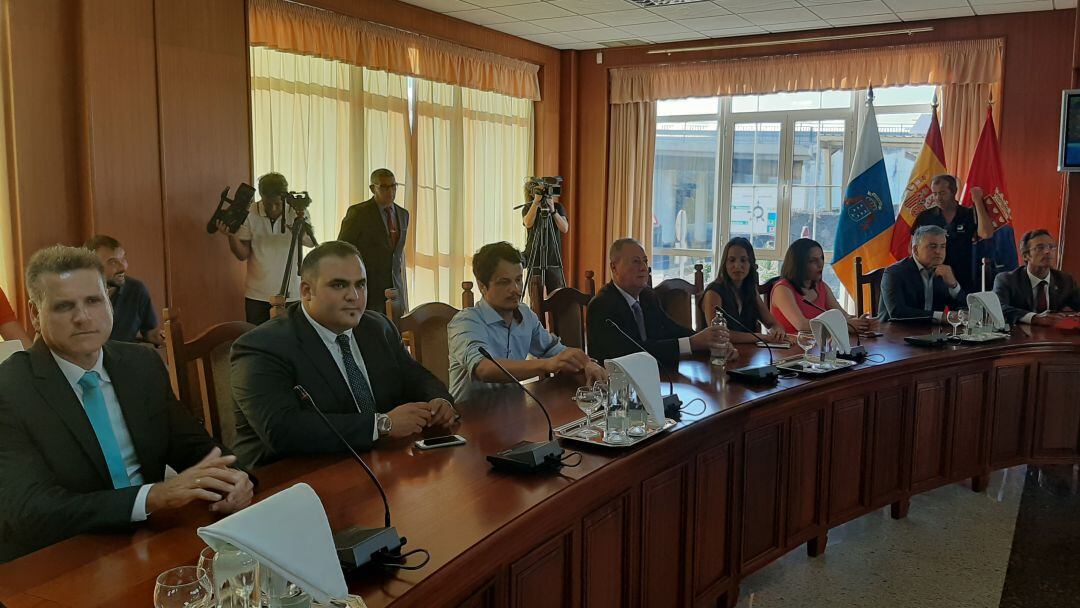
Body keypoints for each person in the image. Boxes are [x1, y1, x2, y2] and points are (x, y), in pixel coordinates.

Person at [0, 245, 253, 562]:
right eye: (64, 306)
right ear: (36, 314)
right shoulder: (9, 389)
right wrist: (151, 498)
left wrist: (237, 479)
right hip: (60, 558)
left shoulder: (141, 364)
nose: (83, 317)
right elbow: (29, 511)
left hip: (148, 543)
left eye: (93, 301)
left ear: (109, 303)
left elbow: (196, 448)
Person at [230, 241, 455, 469]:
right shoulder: (262, 346)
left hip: (374, 464)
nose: (354, 296)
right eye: (339, 286)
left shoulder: (377, 327)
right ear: (307, 291)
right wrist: (381, 424)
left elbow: (416, 377)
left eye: (361, 285)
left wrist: (438, 400)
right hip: (290, 478)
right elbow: (282, 430)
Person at [447, 241, 605, 402]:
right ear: (482, 286)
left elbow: (553, 348)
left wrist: (586, 363)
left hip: (514, 411)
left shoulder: (525, 314)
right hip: (470, 418)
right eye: (504, 282)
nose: (515, 289)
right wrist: (547, 364)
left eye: (518, 279)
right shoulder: (465, 322)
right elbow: (484, 369)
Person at [586, 238, 733, 369]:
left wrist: (710, 343)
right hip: (617, 387)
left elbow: (670, 329)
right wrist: (693, 343)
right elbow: (632, 352)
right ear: (614, 267)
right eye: (636, 261)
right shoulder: (601, 306)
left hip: (656, 378)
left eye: (645, 261)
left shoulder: (647, 296)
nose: (644, 267)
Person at [216, 172, 313, 325]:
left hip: (292, 293)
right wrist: (231, 236)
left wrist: (297, 228)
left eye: (278, 204)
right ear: (261, 196)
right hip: (257, 295)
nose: (274, 208)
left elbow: (310, 242)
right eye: (269, 204)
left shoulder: (296, 210)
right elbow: (242, 255)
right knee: (257, 342)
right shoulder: (250, 213)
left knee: (291, 343)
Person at [338, 168, 409, 319]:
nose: (390, 191)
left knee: (394, 332)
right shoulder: (359, 213)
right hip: (368, 287)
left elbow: (395, 253)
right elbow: (343, 249)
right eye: (384, 187)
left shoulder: (403, 214)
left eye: (393, 186)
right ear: (373, 188)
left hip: (395, 287)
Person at [770, 238, 878, 335]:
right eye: (813, 260)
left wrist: (863, 322)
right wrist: (845, 326)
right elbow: (802, 325)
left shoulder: (821, 286)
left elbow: (843, 316)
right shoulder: (782, 289)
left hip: (819, 348)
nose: (820, 264)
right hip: (790, 351)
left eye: (821, 258)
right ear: (798, 264)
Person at [910, 174, 994, 293]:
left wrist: (978, 201)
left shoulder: (968, 214)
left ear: (954, 191)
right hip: (932, 276)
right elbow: (913, 248)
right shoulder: (925, 217)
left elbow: (986, 234)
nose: (938, 197)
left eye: (942, 193)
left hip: (964, 276)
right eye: (934, 193)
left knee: (963, 309)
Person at [700, 237, 786, 344]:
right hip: (719, 355)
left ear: (751, 264)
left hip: (750, 354)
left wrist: (777, 331)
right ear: (724, 264)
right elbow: (719, 334)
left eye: (743, 260)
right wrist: (761, 337)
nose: (737, 266)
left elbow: (772, 323)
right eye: (731, 260)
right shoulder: (713, 292)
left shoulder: (750, 289)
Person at [84, 235, 163, 346]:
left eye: (123, 259)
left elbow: (151, 333)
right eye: (113, 262)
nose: (123, 267)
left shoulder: (136, 290)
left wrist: (166, 337)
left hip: (123, 360)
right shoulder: (76, 294)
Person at [878, 226, 967, 323]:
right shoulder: (894, 273)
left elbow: (963, 309)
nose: (938, 251)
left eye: (942, 246)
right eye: (932, 246)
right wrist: (940, 317)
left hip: (932, 333)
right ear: (915, 250)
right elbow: (897, 313)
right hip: (897, 333)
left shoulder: (945, 272)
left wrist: (954, 285)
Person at [992, 229, 1080, 326]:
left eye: (1052, 247)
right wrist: (1034, 318)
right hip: (1018, 337)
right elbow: (999, 308)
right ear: (1026, 256)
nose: (1048, 251)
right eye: (1040, 248)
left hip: (1053, 337)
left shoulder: (1065, 280)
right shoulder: (1007, 280)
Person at [521, 179, 568, 294]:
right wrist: (536, 203)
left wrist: (553, 210)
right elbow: (528, 223)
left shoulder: (558, 207)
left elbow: (565, 228)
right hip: (535, 259)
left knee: (558, 300)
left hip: (553, 260)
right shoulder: (528, 208)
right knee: (535, 300)